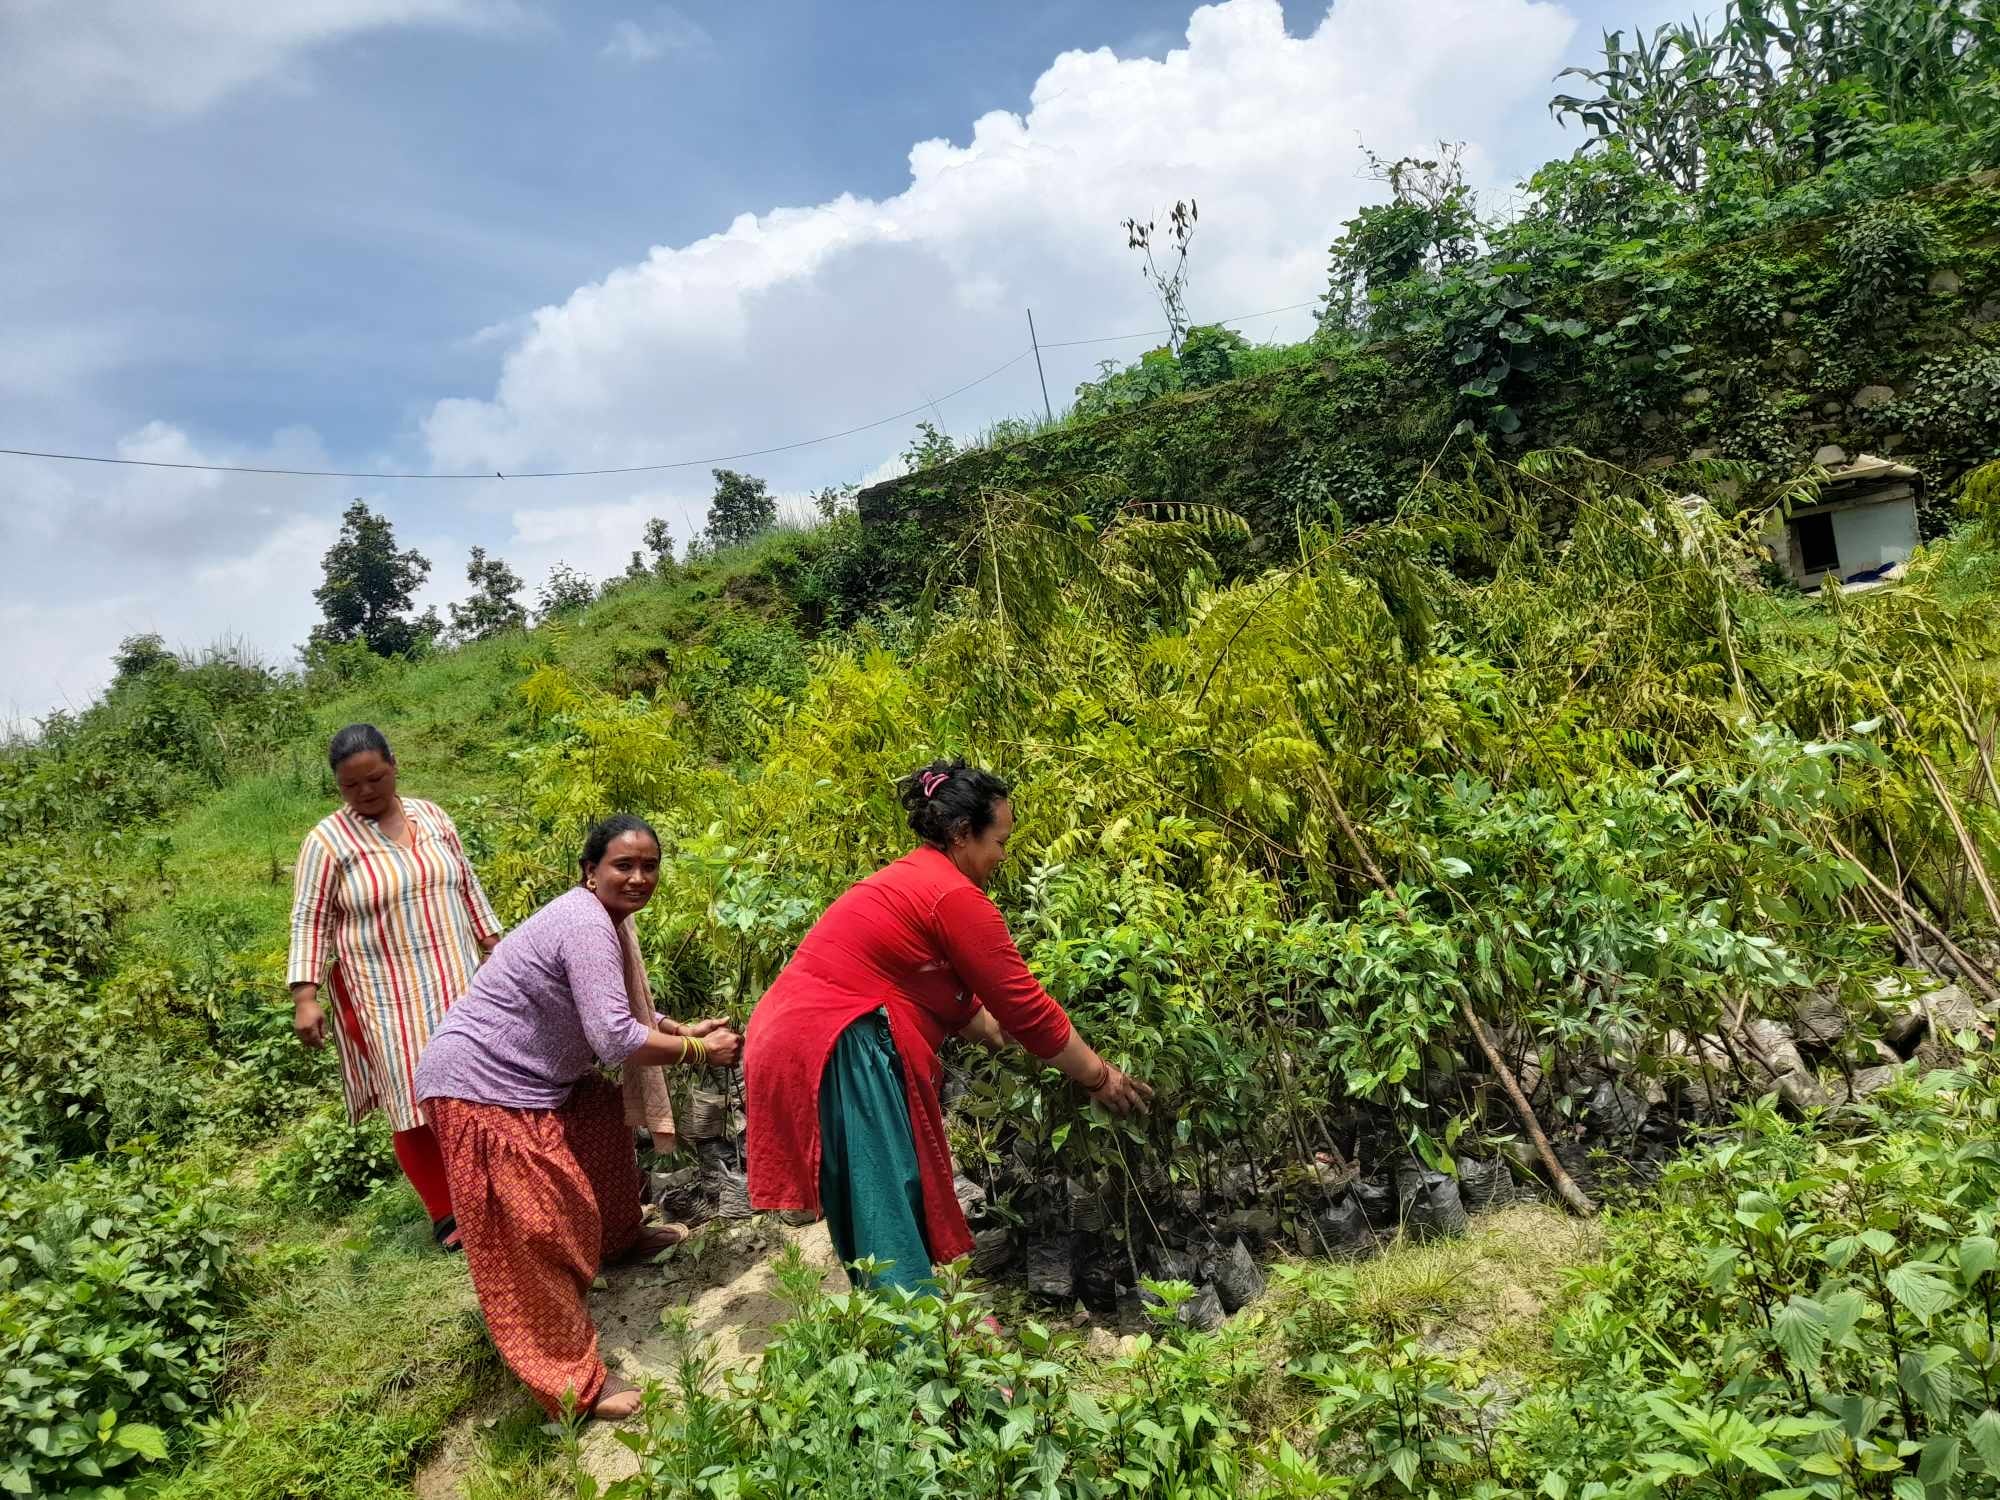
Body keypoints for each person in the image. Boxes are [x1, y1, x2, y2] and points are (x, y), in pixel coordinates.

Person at [744, 758, 1151, 1296]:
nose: (1004, 856)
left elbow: (953, 997)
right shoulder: (954, 896)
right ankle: (922, 1351)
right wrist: (1101, 1077)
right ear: (963, 834)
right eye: (999, 841)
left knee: (873, 1200)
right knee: (881, 1198)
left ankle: (897, 1326)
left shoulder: (916, 878)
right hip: (841, 1043)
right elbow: (1025, 1008)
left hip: (799, 1035)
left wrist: (1004, 1035)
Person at [415, 814, 741, 1421]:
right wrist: (699, 1050)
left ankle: (618, 1238)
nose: (639, 877)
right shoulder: (587, 922)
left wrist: (675, 1030)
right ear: (590, 871)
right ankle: (571, 1384)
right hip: (478, 1089)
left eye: (649, 866)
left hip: (538, 1081)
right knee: (532, 1232)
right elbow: (616, 1037)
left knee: (598, 1118)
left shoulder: (605, 922)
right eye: (624, 865)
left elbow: (614, 1007)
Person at [289, 723, 503, 1251]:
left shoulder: (432, 817)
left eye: (375, 778)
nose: (366, 792)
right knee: (411, 1097)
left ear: (394, 765)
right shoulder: (327, 843)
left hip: (458, 974)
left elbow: (466, 884)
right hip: (386, 992)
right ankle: (446, 1211)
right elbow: (309, 919)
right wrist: (306, 996)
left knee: (477, 1080)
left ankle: (493, 1189)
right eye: (351, 785)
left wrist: (497, 946)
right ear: (338, 787)